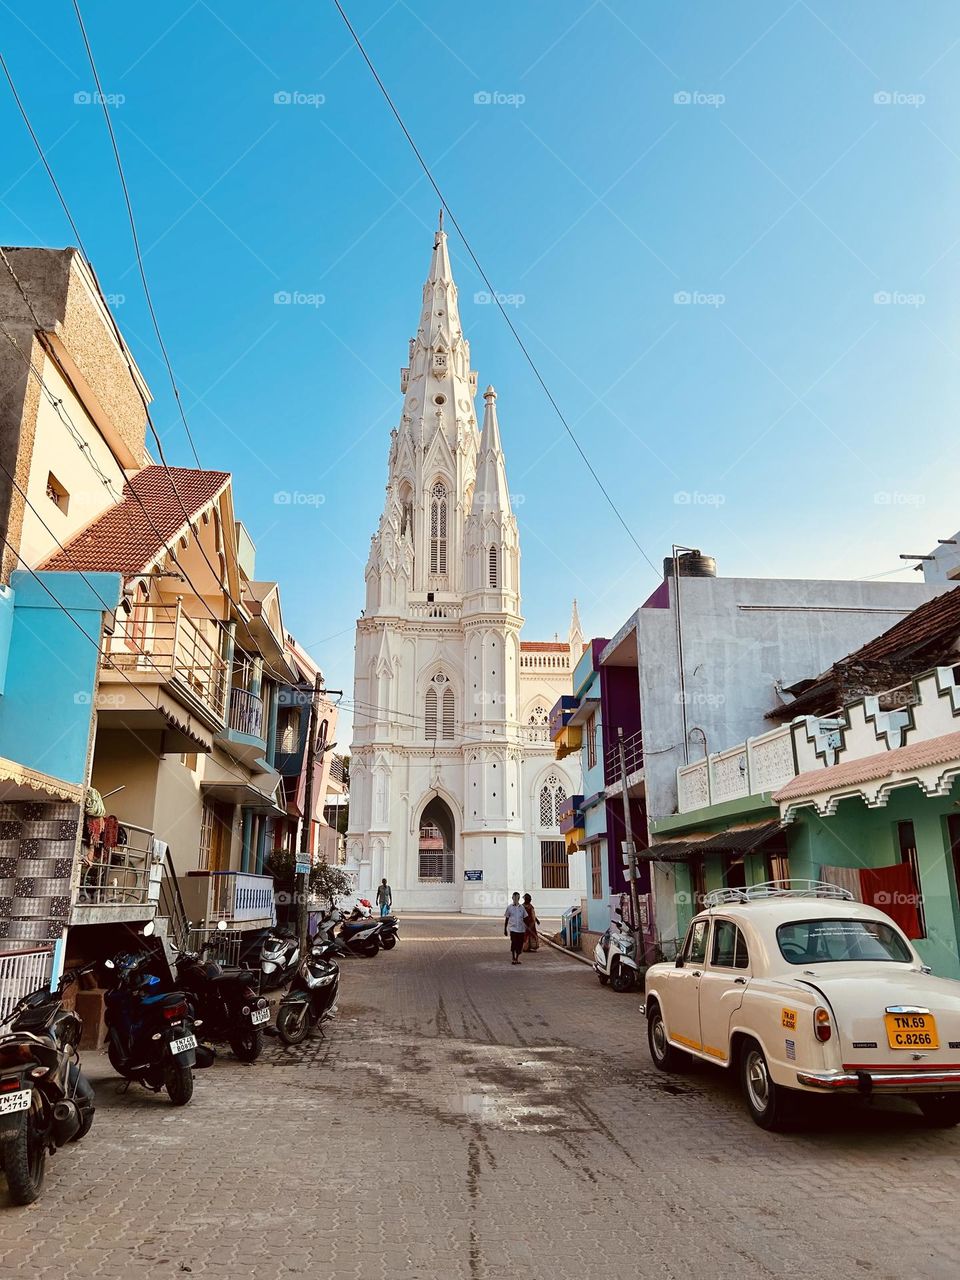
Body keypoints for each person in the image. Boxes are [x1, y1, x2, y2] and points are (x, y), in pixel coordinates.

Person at [504, 892, 527, 965]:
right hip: (513, 929)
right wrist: (505, 929)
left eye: (517, 898)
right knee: (514, 943)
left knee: (519, 945)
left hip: (521, 929)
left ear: (519, 898)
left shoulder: (522, 908)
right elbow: (507, 918)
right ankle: (513, 958)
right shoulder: (509, 907)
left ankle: (517, 958)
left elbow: (525, 917)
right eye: (514, 897)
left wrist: (527, 927)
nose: (516, 899)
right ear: (512, 898)